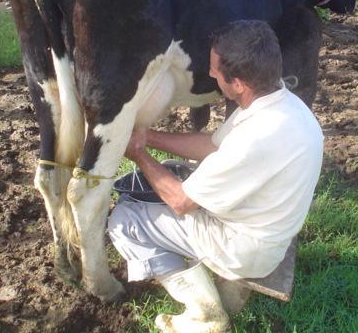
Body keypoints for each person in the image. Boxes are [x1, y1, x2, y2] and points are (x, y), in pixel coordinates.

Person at [108, 20, 324, 333]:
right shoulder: (281, 103)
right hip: (268, 227)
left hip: (245, 250)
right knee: (170, 168)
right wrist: (148, 137)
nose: (210, 75)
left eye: (215, 69)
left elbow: (182, 202)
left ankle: (204, 312)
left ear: (238, 83)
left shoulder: (254, 139)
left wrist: (138, 155)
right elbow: (211, 144)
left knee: (125, 219)